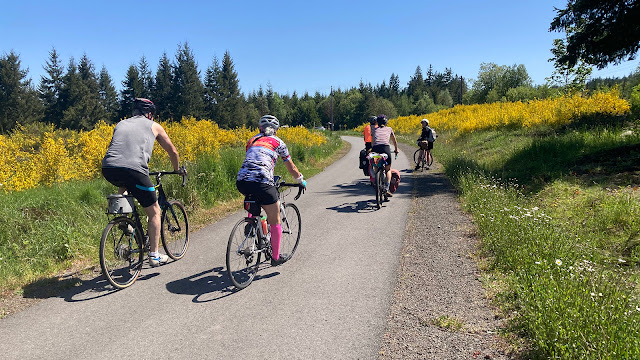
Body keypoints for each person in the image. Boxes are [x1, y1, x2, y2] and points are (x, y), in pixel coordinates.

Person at [102, 98, 184, 267]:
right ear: (149, 114)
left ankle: (124, 219)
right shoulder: (153, 125)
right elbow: (173, 151)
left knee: (125, 184)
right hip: (134, 170)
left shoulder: (121, 124)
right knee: (154, 211)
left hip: (109, 168)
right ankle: (154, 255)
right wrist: (176, 169)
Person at [236, 115, 307, 266]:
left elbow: (254, 161)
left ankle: (252, 222)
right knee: (275, 218)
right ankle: (275, 258)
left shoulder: (252, 140)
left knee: (255, 199)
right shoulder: (278, 142)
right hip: (263, 182)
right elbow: (291, 167)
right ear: (276, 130)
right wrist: (300, 180)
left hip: (241, 181)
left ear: (259, 128)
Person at [371, 114, 399, 198]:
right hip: (385, 148)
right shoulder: (389, 129)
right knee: (388, 169)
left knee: (376, 166)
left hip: (376, 148)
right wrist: (396, 150)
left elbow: (372, 142)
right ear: (386, 122)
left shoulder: (375, 130)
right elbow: (394, 140)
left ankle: (376, 178)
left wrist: (373, 149)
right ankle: (386, 188)